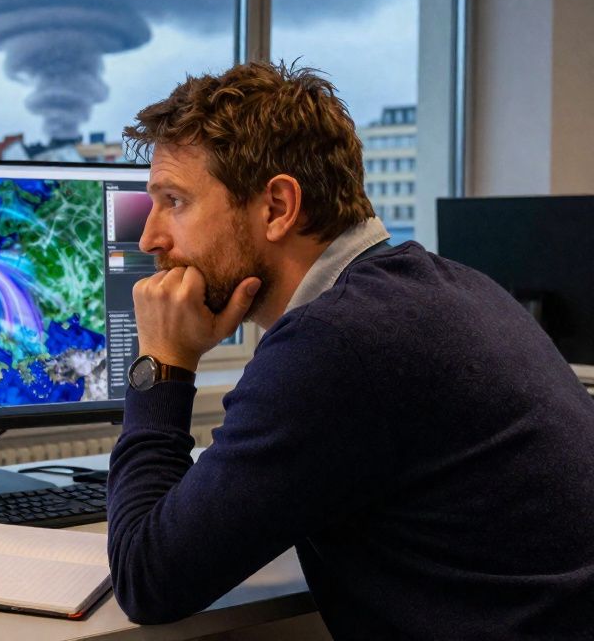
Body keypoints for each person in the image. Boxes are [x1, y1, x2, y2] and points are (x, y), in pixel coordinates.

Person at [107, 61, 594, 638]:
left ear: (278, 207)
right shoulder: (448, 287)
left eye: (175, 201)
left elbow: (147, 579)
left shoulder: (335, 343)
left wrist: (163, 363)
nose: (149, 238)